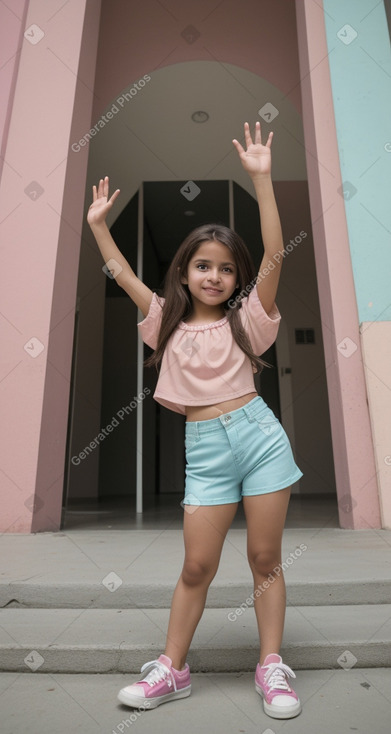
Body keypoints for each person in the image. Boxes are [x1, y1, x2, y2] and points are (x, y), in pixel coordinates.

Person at [87, 122, 303, 720]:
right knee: (196, 566)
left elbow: (276, 254)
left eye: (227, 269)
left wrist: (261, 181)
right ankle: (172, 670)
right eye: (203, 265)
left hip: (259, 439)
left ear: (238, 278)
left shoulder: (249, 320)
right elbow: (125, 275)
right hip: (205, 449)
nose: (214, 275)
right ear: (185, 272)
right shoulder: (165, 323)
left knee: (265, 558)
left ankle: (271, 666)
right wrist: (101, 226)